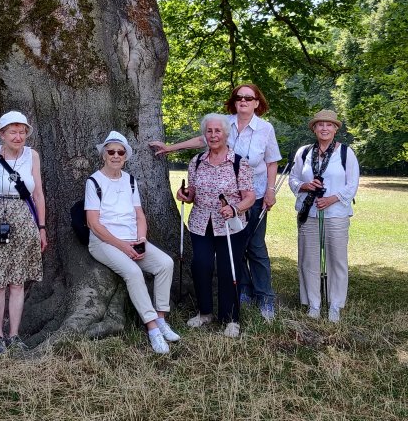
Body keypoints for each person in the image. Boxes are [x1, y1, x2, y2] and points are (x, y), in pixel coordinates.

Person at [150, 84, 281, 319]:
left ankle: (265, 298)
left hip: (255, 194)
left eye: (248, 98)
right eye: (239, 97)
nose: (243, 101)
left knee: (256, 248)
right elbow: (203, 140)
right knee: (234, 252)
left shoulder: (265, 128)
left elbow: (272, 161)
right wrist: (171, 148)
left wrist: (270, 190)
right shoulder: (223, 122)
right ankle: (242, 291)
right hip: (216, 202)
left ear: (256, 102)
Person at [85, 131, 180, 354]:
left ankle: (161, 318)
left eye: (120, 152)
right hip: (103, 242)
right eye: (111, 152)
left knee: (165, 264)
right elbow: (93, 223)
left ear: (125, 156)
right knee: (133, 272)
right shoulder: (94, 181)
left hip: (132, 240)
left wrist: (142, 240)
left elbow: (139, 215)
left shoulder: (130, 181)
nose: (116, 156)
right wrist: (123, 246)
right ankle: (152, 328)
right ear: (104, 155)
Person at [176, 114, 256, 337]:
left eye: (217, 131)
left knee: (228, 268)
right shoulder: (197, 161)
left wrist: (235, 208)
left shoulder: (239, 162)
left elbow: (250, 196)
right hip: (201, 223)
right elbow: (192, 193)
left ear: (225, 134)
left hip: (230, 225)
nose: (213, 135)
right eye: (209, 131)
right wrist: (184, 194)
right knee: (200, 265)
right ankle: (204, 312)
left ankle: (231, 318)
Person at [0, 111, 47, 355]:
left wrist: (42, 228)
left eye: (22, 131)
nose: (18, 136)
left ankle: (14, 335)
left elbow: (38, 195)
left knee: (18, 281)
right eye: (13, 132)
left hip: (26, 218)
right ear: (2, 134)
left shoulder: (32, 156)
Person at [288, 109, 359, 323]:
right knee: (309, 260)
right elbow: (292, 178)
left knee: (337, 260)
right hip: (309, 213)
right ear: (314, 128)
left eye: (329, 125)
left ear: (336, 128)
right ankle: (314, 304)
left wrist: (332, 198)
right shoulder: (304, 152)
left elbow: (352, 184)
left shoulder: (346, 153)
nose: (324, 128)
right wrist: (305, 185)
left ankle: (335, 305)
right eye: (320, 125)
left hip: (336, 214)